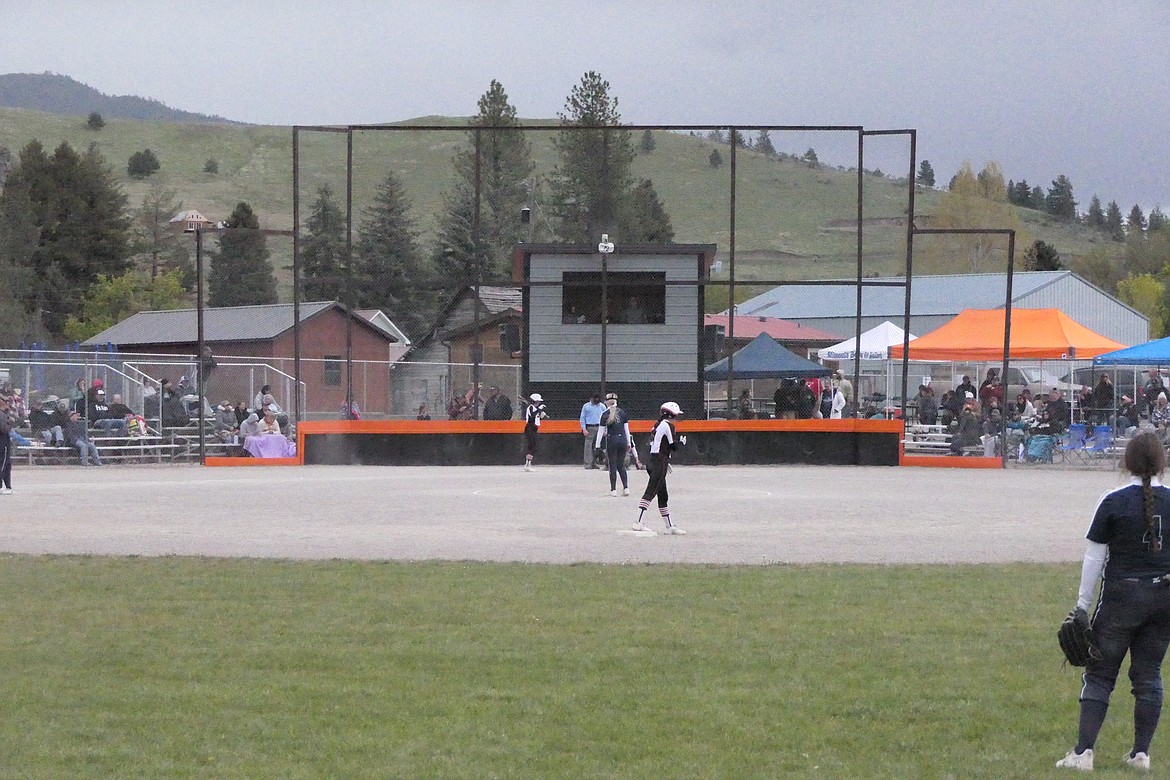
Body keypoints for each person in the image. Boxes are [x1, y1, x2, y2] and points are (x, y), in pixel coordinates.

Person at [1055, 432, 1170, 772]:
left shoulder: (1113, 500)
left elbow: (1094, 560)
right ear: (1161, 461)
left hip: (1122, 598)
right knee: (1149, 675)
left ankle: (1083, 753)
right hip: (1164, 598)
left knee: (1101, 674)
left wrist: (1081, 606)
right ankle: (1140, 755)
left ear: (1128, 461)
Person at [633, 401, 687, 535]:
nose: (675, 419)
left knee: (663, 495)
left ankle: (669, 525)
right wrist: (682, 443)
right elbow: (673, 446)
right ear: (670, 415)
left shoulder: (657, 425)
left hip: (653, 461)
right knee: (650, 492)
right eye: (675, 416)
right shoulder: (668, 426)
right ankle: (638, 522)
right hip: (659, 462)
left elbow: (657, 445)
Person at [598, 392, 633, 496]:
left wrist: (597, 445)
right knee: (621, 465)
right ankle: (626, 488)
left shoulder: (605, 414)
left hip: (611, 440)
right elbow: (627, 430)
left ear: (607, 402)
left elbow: (600, 431)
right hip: (622, 439)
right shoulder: (622, 413)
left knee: (612, 465)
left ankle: (613, 490)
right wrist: (629, 442)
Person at [579, 392, 606, 469]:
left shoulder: (602, 406)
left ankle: (595, 462)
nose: (596, 400)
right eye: (595, 398)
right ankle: (588, 464)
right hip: (589, 427)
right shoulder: (586, 406)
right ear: (591, 398)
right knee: (588, 446)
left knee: (597, 446)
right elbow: (582, 418)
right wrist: (584, 429)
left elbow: (606, 417)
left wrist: (605, 429)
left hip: (600, 427)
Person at [522, 393, 547, 471]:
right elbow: (532, 416)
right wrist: (539, 410)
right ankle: (528, 464)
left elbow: (537, 419)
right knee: (532, 446)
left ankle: (528, 464)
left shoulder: (535, 409)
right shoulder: (530, 408)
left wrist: (541, 415)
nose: (539, 403)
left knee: (533, 446)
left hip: (534, 428)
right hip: (530, 428)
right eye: (538, 401)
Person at [0, 395, 13, 494]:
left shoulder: (4, 413)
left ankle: (8, 486)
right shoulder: (2, 414)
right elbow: (4, 429)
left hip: (4, 440)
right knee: (3, 463)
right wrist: (9, 422)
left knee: (6, 464)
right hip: (3, 441)